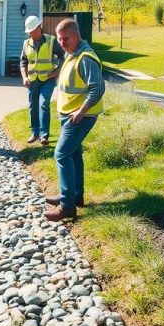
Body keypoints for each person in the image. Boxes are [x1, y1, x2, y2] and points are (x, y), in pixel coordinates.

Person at [44, 19, 105, 221]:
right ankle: (74, 196)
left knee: (61, 154)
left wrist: (81, 111)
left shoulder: (86, 58)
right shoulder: (71, 54)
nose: (62, 43)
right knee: (73, 155)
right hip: (68, 115)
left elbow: (97, 89)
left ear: (77, 35)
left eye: (66, 38)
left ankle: (67, 206)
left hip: (80, 117)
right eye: (60, 39)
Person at [19, 15, 65, 146]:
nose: (31, 33)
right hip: (33, 80)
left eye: (33, 30)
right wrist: (24, 77)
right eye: (29, 31)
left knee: (44, 103)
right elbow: (23, 62)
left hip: (47, 79)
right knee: (33, 105)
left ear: (40, 28)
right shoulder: (26, 44)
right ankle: (35, 132)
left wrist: (56, 72)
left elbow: (63, 56)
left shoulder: (52, 41)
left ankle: (44, 135)